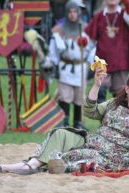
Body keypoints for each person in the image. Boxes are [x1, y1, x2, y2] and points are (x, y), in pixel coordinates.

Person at [0, 70, 129, 174]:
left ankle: (20, 167)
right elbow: (90, 111)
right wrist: (97, 85)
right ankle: (30, 165)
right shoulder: (115, 103)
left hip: (113, 157)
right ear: (128, 89)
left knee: (77, 155)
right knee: (60, 133)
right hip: (92, 142)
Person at [43, 0, 94, 129]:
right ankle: (64, 123)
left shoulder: (86, 29)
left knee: (79, 97)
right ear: (66, 13)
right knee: (65, 96)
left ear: (79, 13)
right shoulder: (59, 30)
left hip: (80, 67)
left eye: (74, 12)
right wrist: (51, 65)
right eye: (70, 12)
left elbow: (93, 47)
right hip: (65, 67)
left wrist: (91, 64)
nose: (72, 15)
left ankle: (78, 123)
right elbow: (53, 50)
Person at [84, 0, 129, 103]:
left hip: (121, 61)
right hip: (102, 61)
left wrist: (127, 4)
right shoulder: (99, 16)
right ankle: (103, 117)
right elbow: (89, 39)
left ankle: (119, 118)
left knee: (121, 93)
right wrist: (82, 53)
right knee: (100, 90)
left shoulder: (125, 14)